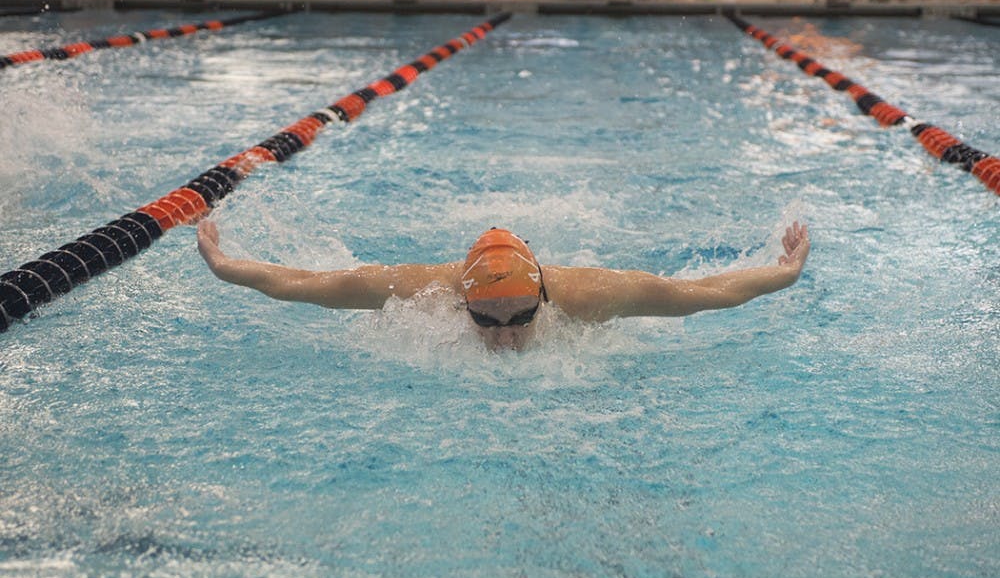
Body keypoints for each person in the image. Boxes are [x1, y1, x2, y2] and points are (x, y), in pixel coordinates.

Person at [197, 221, 811, 352]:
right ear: (461, 303)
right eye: (485, 321)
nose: (506, 336)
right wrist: (230, 267)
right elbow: (312, 284)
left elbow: (696, 295)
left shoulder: (587, 295)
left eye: (519, 318)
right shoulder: (425, 291)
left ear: (544, 297)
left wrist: (782, 275)